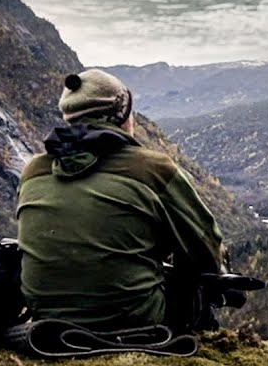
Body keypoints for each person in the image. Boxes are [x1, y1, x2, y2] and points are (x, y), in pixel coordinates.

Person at [16, 69, 225, 332]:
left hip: (47, 317)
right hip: (134, 320)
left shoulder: (34, 170)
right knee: (197, 276)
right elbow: (206, 249)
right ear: (123, 116)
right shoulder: (153, 169)